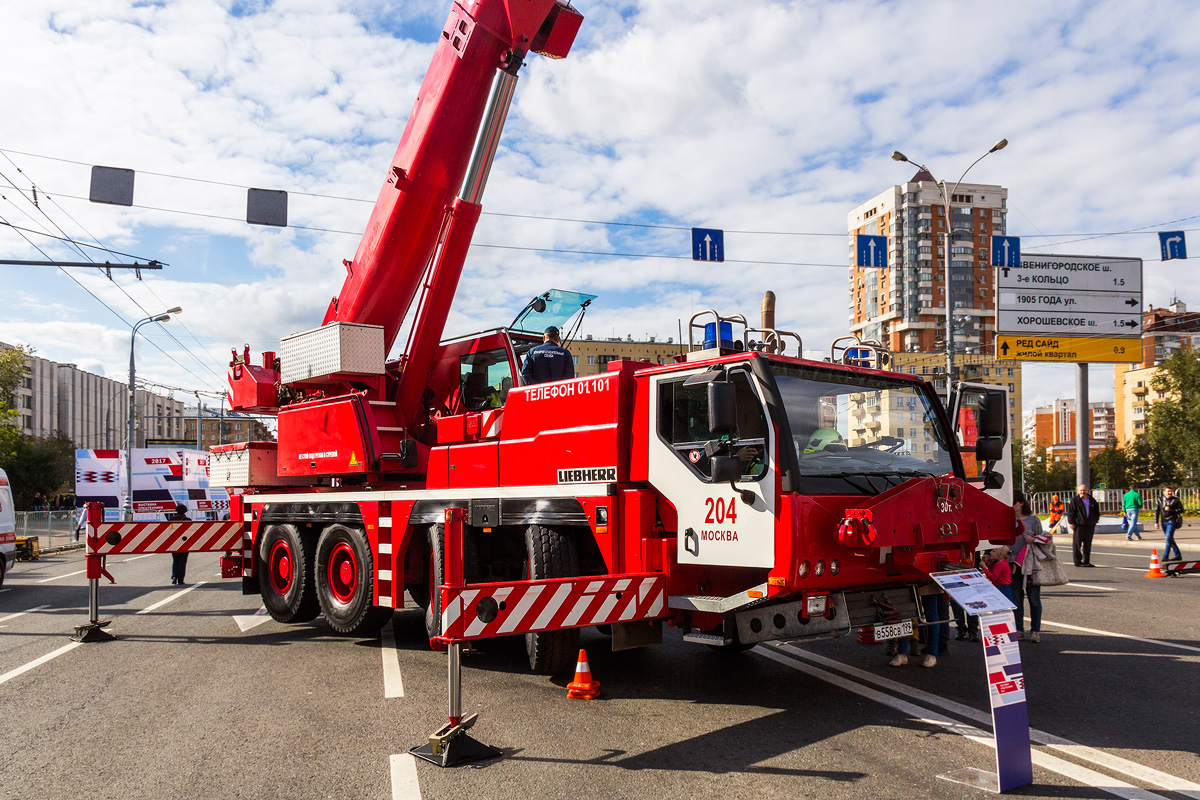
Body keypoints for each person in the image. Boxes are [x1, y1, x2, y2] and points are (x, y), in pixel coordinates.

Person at [1011, 491, 1050, 643]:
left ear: (1021, 503)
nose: (1012, 505)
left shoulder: (1033, 519)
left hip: (1030, 564)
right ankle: (1019, 630)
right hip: (1013, 564)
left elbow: (1043, 539)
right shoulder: (1008, 519)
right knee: (1016, 599)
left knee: (1034, 599)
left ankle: (1035, 631)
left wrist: (1033, 539)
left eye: (1014, 502)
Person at [890, 590, 942, 668]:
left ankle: (932, 654)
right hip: (908, 580)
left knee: (931, 613)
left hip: (928, 581)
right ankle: (902, 653)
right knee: (904, 613)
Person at [1066, 483, 1100, 567]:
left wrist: (1095, 520)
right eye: (1081, 490)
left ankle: (1086, 561)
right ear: (1078, 491)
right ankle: (1077, 561)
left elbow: (1096, 511)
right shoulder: (1075, 500)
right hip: (1079, 525)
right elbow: (1071, 513)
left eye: (1084, 490)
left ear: (1087, 490)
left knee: (1087, 544)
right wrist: (1071, 523)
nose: (1082, 492)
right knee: (1077, 544)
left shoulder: (1092, 500)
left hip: (1090, 525)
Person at [1155, 487, 1185, 562]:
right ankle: (1178, 555)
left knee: (1168, 538)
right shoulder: (1160, 499)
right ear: (1164, 492)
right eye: (1168, 491)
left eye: (1171, 491)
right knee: (1169, 539)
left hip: (1172, 521)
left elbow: (1181, 510)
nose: (1170, 493)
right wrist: (1156, 522)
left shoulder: (1176, 500)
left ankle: (1166, 556)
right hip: (1163, 521)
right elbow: (1157, 511)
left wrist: (1171, 510)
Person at [168, 503, 190, 585]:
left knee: (175, 560)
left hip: (174, 542)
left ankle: (174, 576)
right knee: (182, 561)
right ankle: (181, 579)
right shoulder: (188, 520)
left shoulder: (171, 519)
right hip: (184, 543)